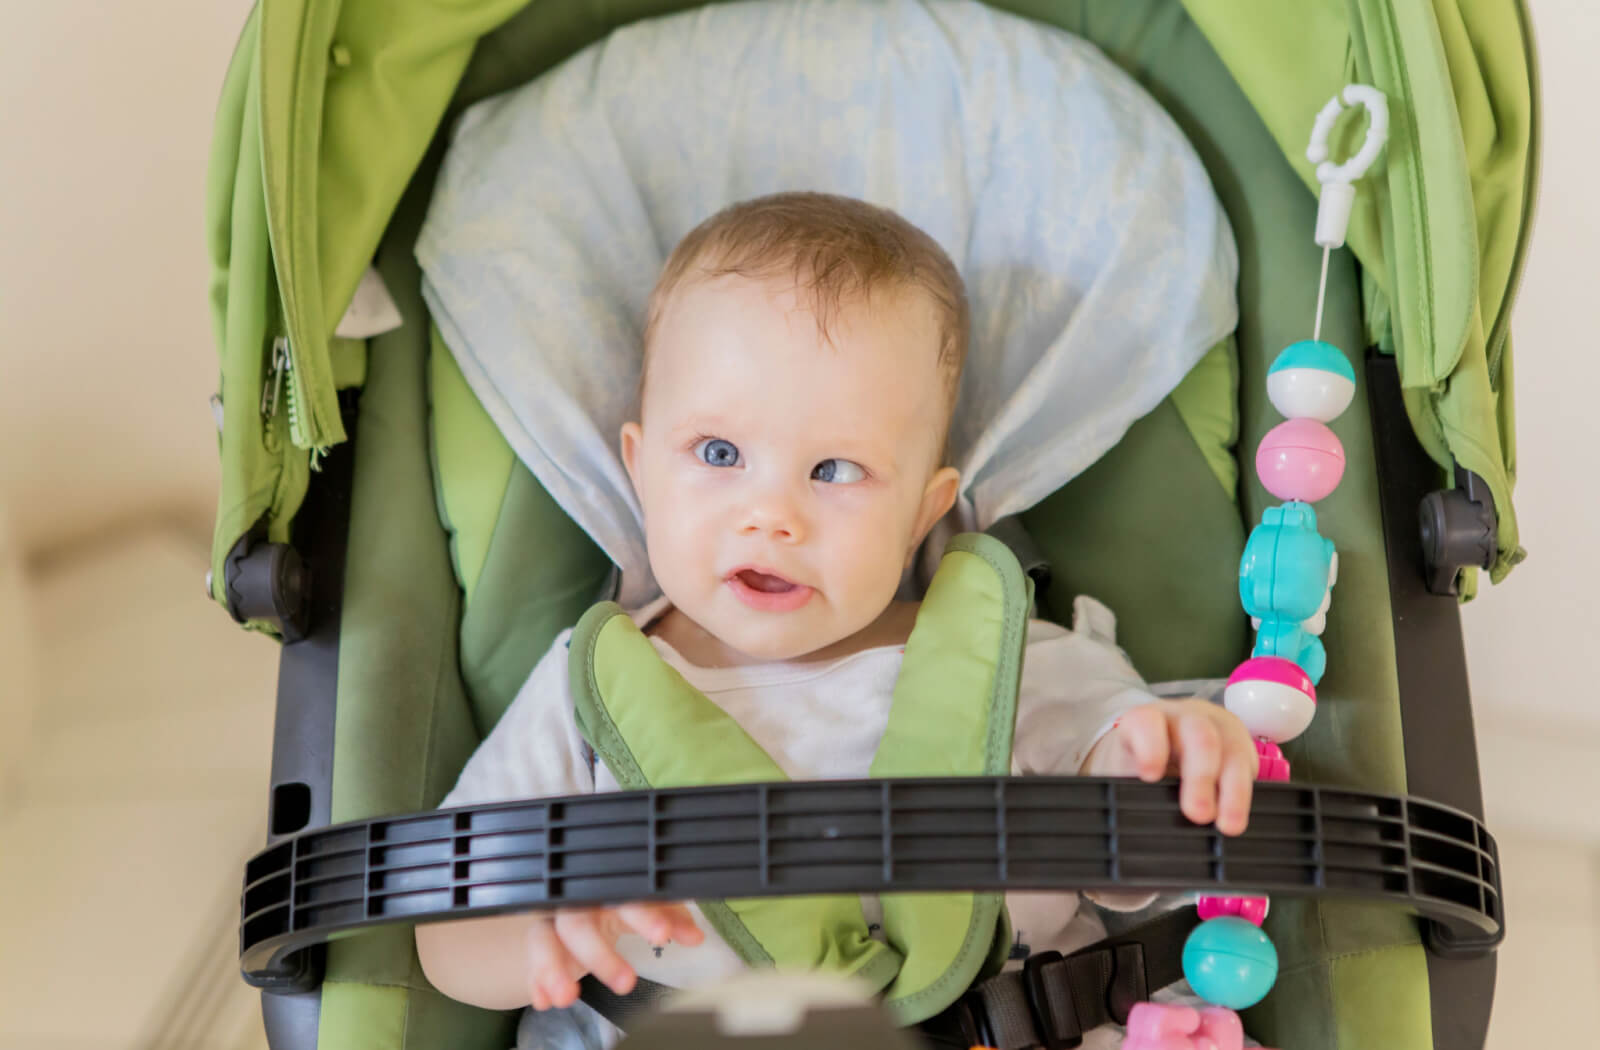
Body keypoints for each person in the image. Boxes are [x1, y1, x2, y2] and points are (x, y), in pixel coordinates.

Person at [415, 192, 1259, 1047]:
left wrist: (1167, 762)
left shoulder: (1010, 664)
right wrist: (540, 932)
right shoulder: (583, 691)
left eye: (834, 469)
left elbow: (1134, 844)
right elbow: (443, 933)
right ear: (640, 470)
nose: (772, 514)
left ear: (926, 512)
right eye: (718, 454)